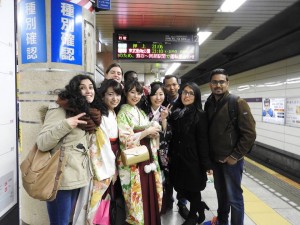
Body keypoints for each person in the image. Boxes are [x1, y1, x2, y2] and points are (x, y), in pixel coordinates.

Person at [36, 75, 101, 225]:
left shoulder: (88, 112)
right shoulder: (60, 110)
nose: (88, 91)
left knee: (68, 221)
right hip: (60, 178)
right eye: (82, 88)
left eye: (91, 87)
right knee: (60, 222)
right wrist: (66, 124)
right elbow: (42, 143)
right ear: (74, 90)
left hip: (78, 176)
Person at [204, 68, 256, 225]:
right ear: (210, 84)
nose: (218, 85)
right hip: (216, 160)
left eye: (221, 82)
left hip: (232, 161)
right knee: (221, 194)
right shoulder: (209, 103)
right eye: (215, 82)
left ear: (227, 83)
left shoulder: (237, 103)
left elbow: (249, 134)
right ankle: (222, 221)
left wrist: (235, 156)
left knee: (234, 197)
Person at [117, 80, 163, 225]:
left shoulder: (141, 112)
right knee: (139, 194)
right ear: (125, 93)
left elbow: (148, 131)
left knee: (149, 192)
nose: (136, 96)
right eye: (132, 92)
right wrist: (146, 131)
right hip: (135, 159)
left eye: (138, 93)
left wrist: (153, 132)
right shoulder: (122, 113)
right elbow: (126, 139)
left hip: (147, 156)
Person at [168, 82, 211, 225]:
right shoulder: (176, 113)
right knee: (179, 186)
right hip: (177, 158)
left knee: (193, 188)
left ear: (196, 96)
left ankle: (193, 216)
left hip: (193, 158)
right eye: (184, 92)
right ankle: (200, 206)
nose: (186, 95)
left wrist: (206, 164)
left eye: (191, 93)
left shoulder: (200, 115)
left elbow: (203, 141)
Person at [87, 79, 124, 224]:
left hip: (112, 158)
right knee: (98, 200)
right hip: (104, 162)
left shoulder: (112, 112)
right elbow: (100, 146)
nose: (115, 98)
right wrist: (112, 169)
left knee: (107, 200)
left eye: (118, 94)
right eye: (110, 94)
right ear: (102, 96)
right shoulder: (99, 115)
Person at [141, 81, 172, 215]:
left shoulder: (166, 111)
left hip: (161, 152)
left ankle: (162, 205)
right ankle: (149, 205)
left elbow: (168, 135)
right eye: (155, 94)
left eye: (161, 94)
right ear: (149, 96)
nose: (158, 98)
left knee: (162, 179)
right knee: (148, 177)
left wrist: (164, 119)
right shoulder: (142, 111)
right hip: (146, 150)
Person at [162, 75, 189, 219]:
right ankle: (168, 200)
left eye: (173, 85)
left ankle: (182, 203)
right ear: (164, 87)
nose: (171, 88)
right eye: (168, 85)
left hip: (183, 145)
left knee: (183, 175)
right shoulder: (162, 100)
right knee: (168, 174)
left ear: (178, 85)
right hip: (167, 145)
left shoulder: (185, 100)